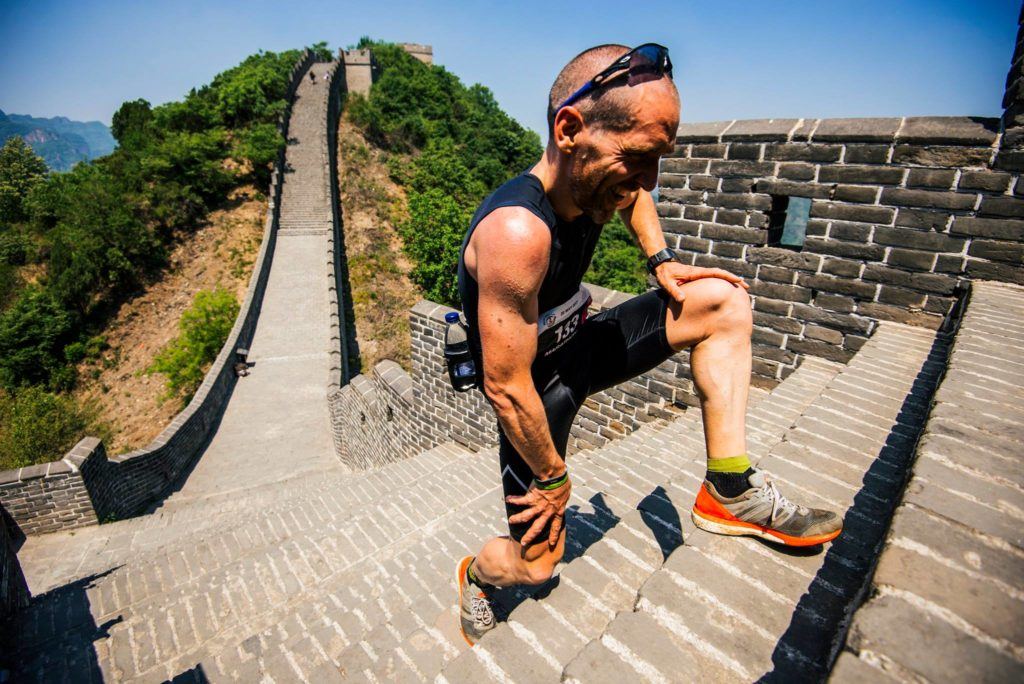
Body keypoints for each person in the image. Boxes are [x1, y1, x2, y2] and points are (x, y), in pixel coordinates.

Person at [455, 43, 843, 646]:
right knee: (537, 567)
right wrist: (555, 478)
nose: (649, 182)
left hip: (583, 346)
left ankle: (730, 490)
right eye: (639, 158)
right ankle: (477, 576)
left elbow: (636, 197)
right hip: (536, 394)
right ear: (569, 129)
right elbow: (506, 386)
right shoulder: (516, 232)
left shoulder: (595, 180)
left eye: (658, 160)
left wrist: (660, 261)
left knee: (722, 301)